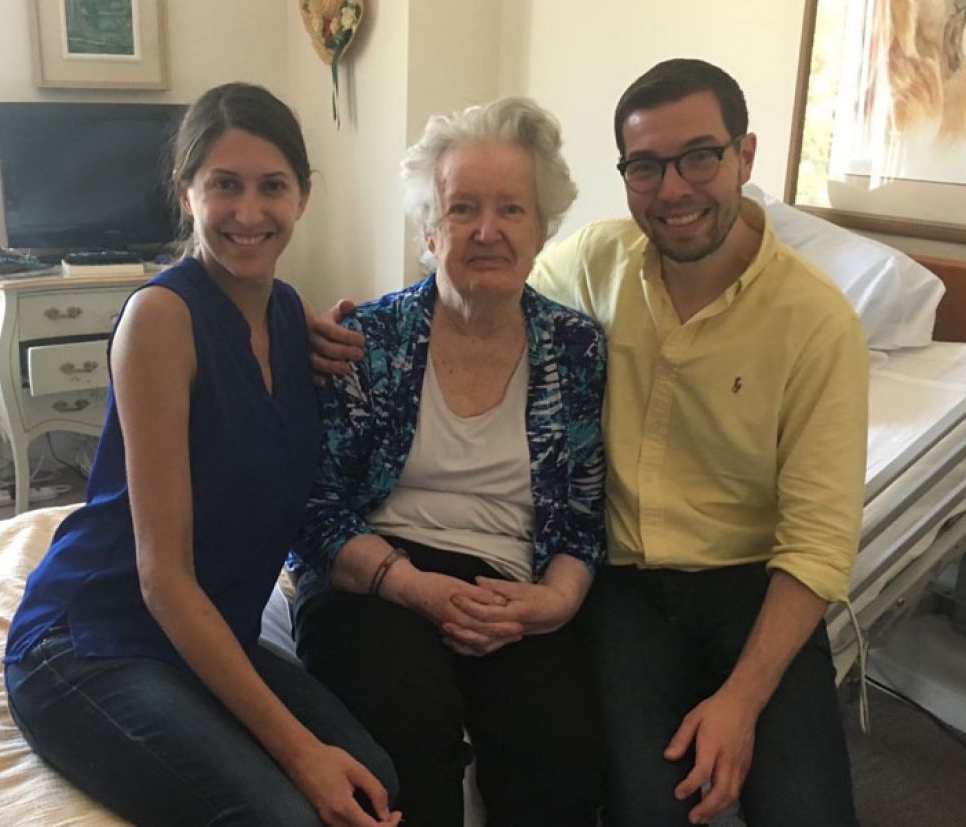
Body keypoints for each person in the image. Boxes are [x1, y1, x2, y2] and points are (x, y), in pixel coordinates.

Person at [3, 83, 400, 827]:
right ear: (186, 193)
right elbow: (161, 579)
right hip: (94, 638)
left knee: (375, 776)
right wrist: (299, 751)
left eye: (272, 187)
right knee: (286, 814)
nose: (249, 213)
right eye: (224, 185)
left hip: (209, 632)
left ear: (304, 197)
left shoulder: (288, 313)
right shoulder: (161, 319)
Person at [528, 59, 867, 826]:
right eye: (645, 166)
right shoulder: (593, 264)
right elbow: (481, 296)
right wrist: (364, 328)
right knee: (650, 808)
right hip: (624, 585)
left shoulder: (817, 325)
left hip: (754, 587)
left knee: (808, 810)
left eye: (700, 157)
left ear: (745, 157)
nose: (673, 189)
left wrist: (741, 703)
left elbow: (818, 544)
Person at [290, 97, 608, 827]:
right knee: (406, 734)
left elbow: (584, 518)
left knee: (562, 754)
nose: (488, 231)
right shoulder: (367, 338)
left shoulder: (576, 349)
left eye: (512, 210)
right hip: (376, 577)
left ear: (543, 227)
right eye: (462, 208)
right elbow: (315, 512)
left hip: (510, 586)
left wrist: (552, 603)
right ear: (430, 231)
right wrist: (415, 587)